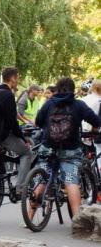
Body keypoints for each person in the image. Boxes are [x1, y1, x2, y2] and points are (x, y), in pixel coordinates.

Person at [32, 77, 100, 218]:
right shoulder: (78, 105)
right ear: (73, 89)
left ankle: (29, 218)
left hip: (48, 147)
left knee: (42, 179)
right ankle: (77, 220)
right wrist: (94, 130)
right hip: (70, 149)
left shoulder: (49, 103)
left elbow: (38, 122)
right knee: (71, 180)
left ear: (57, 89)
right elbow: (96, 121)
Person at [0, 67, 32, 218]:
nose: (18, 81)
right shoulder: (8, 95)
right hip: (0, 136)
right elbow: (12, 123)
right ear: (12, 78)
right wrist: (23, 138)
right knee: (27, 153)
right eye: (18, 77)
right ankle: (20, 188)